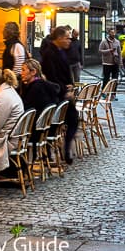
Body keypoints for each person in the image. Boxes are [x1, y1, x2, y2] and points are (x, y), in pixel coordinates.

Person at [40, 26, 79, 162]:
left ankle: (65, 148)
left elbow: (66, 72)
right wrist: (65, 89)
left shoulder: (62, 51)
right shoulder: (49, 53)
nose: (70, 40)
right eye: (68, 38)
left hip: (63, 93)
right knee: (54, 123)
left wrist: (70, 87)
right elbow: (51, 76)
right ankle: (49, 151)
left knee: (72, 119)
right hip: (55, 95)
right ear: (60, 38)